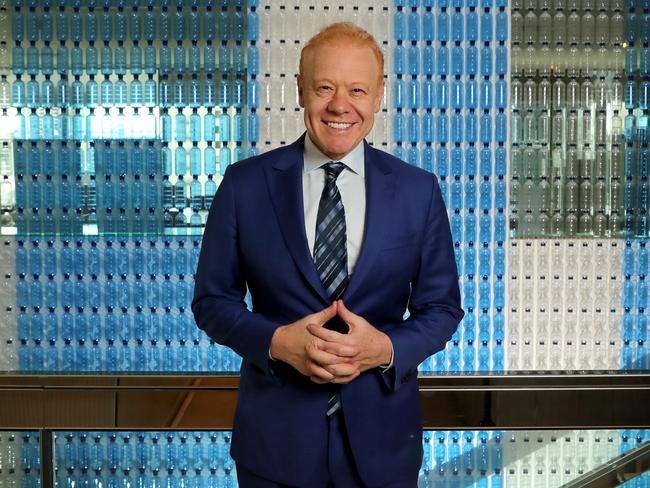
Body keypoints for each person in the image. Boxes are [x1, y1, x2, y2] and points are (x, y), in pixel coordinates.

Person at [192, 22, 463, 488]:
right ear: (300, 91)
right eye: (324, 88)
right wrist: (277, 343)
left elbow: (441, 309)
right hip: (275, 447)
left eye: (357, 89)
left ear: (379, 95)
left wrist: (384, 348)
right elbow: (212, 302)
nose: (341, 105)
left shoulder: (418, 191)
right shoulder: (244, 185)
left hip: (384, 448)